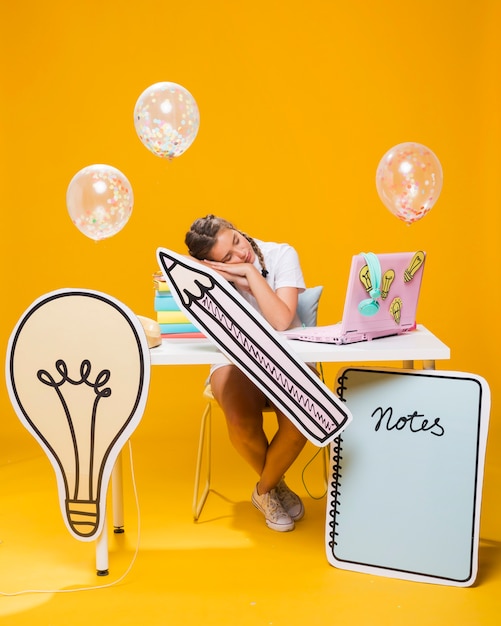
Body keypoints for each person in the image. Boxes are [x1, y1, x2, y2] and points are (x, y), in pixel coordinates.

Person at [185, 214, 310, 532]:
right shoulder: (211, 278)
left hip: (289, 356)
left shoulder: (282, 254)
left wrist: (249, 273)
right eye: (226, 257)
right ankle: (277, 486)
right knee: (240, 420)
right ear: (212, 264)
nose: (240, 254)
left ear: (239, 230)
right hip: (235, 359)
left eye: (237, 241)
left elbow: (282, 321)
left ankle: (264, 489)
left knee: (302, 419)